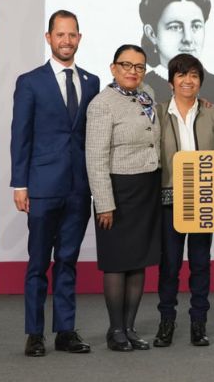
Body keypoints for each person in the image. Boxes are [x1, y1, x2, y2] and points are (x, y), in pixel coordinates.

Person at [10, 9, 100, 357]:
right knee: (38, 264)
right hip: (42, 187)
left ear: (80, 38)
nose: (66, 40)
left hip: (79, 187)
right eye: (60, 34)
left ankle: (65, 331)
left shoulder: (91, 82)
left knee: (67, 261)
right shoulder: (30, 82)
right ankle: (35, 334)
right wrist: (20, 184)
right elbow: (21, 136)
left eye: (72, 34)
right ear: (49, 38)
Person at [85, 44, 161, 352]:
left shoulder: (147, 95)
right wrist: (104, 203)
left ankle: (130, 327)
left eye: (139, 66)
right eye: (126, 65)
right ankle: (115, 330)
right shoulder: (102, 104)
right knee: (117, 263)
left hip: (147, 188)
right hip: (118, 191)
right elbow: (95, 158)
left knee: (138, 261)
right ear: (113, 68)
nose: (133, 71)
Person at [153, 53, 214, 348]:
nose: (188, 80)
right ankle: (166, 322)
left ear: (200, 82)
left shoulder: (213, 114)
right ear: (171, 81)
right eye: (181, 74)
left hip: (202, 200)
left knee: (200, 264)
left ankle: (199, 323)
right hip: (168, 201)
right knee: (169, 265)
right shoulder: (157, 114)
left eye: (194, 75)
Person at [139, 0, 214, 108]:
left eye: (196, 26)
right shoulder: (138, 93)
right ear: (152, 33)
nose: (188, 38)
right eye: (175, 27)